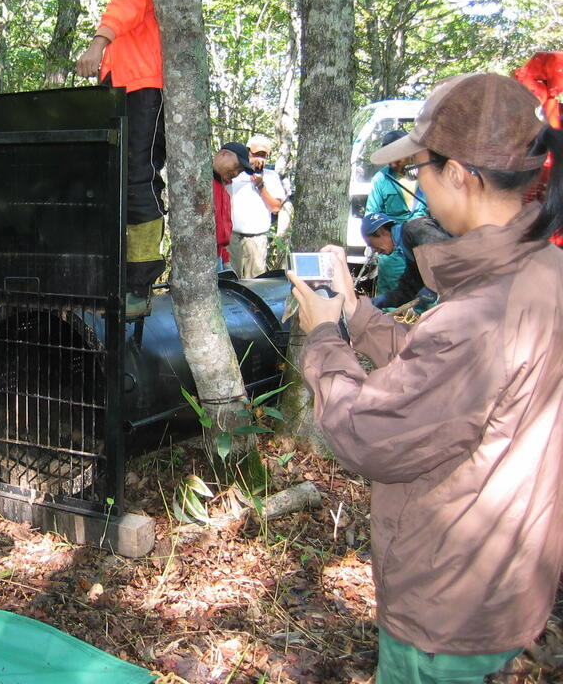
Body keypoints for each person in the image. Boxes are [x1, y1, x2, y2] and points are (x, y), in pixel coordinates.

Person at [287, 72, 563, 683]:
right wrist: (357, 314)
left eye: (422, 171)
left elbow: (367, 435)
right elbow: (446, 375)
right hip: (507, 578)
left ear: (459, 174)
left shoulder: (478, 314)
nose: (420, 187)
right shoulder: (543, 269)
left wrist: (324, 336)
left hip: (447, 603)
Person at [75, 0, 165, 318]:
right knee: (116, 184)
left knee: (137, 180)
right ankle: (116, 281)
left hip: (143, 87)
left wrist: (98, 43)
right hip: (123, 87)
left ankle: (138, 287)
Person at [365, 130, 429, 293]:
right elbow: (371, 217)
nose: (393, 164)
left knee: (428, 297)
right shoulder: (381, 179)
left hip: (424, 246)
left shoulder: (426, 173)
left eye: (397, 159)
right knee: (391, 300)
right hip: (394, 253)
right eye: (389, 161)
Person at [360, 212, 451, 311]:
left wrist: (432, 287)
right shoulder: (408, 247)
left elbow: (447, 258)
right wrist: (383, 300)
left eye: (370, 244)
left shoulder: (417, 230)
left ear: (381, 231)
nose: (374, 250)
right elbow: (410, 289)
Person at [228, 134, 286, 278]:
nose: (260, 159)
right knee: (230, 280)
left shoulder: (271, 177)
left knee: (256, 283)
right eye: (256, 154)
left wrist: (260, 185)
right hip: (232, 239)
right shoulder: (233, 175)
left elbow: (275, 208)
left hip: (257, 240)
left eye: (264, 155)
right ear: (248, 153)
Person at [212, 143, 250, 269]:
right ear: (223, 155)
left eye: (240, 171)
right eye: (236, 167)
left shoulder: (225, 186)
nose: (235, 173)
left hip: (217, 256)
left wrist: (225, 259)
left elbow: (221, 227)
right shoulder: (203, 181)